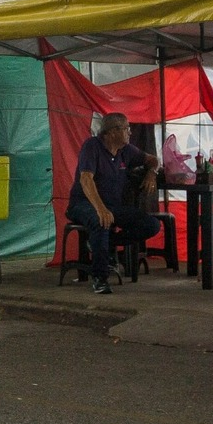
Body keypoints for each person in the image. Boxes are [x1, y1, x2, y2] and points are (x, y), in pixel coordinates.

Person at [65, 111, 161, 294]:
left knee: (151, 224)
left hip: (112, 206)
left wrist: (151, 173)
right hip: (83, 204)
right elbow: (86, 179)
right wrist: (100, 209)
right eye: (126, 128)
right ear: (112, 132)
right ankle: (100, 279)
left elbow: (152, 160)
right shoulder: (92, 146)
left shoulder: (126, 150)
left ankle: (107, 243)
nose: (130, 132)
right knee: (101, 221)